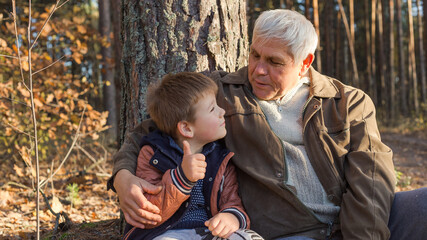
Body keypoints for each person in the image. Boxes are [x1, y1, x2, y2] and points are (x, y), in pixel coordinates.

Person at [109, 9, 427, 240]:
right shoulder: (221, 93)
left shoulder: (348, 102)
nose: (258, 70)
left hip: (356, 224)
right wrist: (123, 176)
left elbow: (372, 181)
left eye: (274, 62)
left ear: (305, 63)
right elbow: (149, 131)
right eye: (255, 55)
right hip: (289, 231)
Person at [122, 72, 261, 240]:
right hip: (165, 233)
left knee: (246, 238)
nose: (222, 111)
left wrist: (231, 216)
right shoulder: (153, 154)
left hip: (208, 232)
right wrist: (182, 178)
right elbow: (150, 212)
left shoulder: (219, 157)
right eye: (212, 109)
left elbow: (231, 199)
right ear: (187, 128)